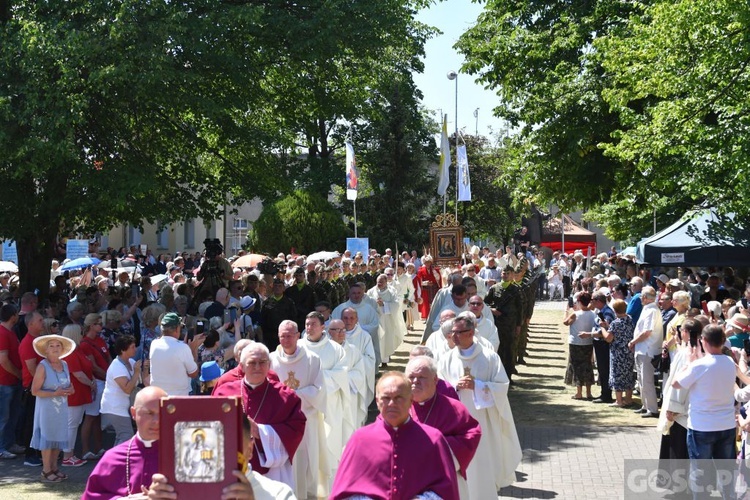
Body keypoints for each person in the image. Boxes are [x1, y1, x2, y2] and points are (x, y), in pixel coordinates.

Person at [331, 372, 459, 500]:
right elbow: (343, 493)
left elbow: (446, 491)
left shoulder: (433, 439)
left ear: (410, 401)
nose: (392, 403)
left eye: (399, 398)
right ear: (377, 401)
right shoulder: (359, 439)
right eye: (386, 398)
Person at [439, 311, 522, 496]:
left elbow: (502, 387)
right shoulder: (446, 359)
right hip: (455, 425)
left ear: (470, 333)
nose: (453, 336)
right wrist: (455, 386)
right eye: (452, 332)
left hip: (483, 422)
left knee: (482, 465)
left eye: (457, 332)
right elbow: (438, 388)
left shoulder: (490, 358)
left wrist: (477, 385)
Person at [213, 342, 306, 489]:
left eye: (262, 362)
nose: (257, 367)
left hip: (272, 472)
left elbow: (297, 428)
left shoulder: (286, 396)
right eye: (252, 363)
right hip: (230, 465)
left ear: (269, 365)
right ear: (242, 367)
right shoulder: (223, 393)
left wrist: (261, 432)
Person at [146, 413, 296, 500]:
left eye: (228, 445)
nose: (217, 454)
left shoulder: (279, 494)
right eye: (209, 445)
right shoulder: (178, 492)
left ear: (249, 449)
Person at [673, 324, 736, 496]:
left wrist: (689, 363)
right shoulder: (730, 362)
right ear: (723, 341)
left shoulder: (699, 365)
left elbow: (676, 383)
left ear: (704, 341)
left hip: (702, 426)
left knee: (700, 474)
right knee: (727, 474)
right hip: (726, 424)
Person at [406, 356, 481, 499]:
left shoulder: (454, 408)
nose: (415, 381)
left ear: (435, 380)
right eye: (411, 377)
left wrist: (432, 450)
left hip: (443, 481)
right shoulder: (397, 407)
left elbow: (471, 435)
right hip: (407, 480)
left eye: (422, 377)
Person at [270, 320, 329, 498]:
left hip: (306, 418)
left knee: (307, 462)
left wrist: (291, 396)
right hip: (280, 422)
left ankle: (308, 495)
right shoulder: (271, 359)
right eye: (282, 336)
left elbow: (318, 390)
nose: (286, 340)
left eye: (289, 336)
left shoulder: (312, 359)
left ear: (297, 336)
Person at [82, 386, 167, 499]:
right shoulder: (112, 458)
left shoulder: (181, 456)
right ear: (134, 413)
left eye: (162, 413)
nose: (157, 421)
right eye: (149, 413)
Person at [299, 312, 349, 473]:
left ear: (323, 327)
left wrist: (316, 380)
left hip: (328, 404)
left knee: (328, 446)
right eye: (307, 324)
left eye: (313, 324)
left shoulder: (335, 349)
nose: (309, 328)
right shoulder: (298, 348)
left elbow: (341, 374)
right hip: (304, 406)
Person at [30, 334, 76, 482]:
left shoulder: (65, 365)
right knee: (48, 437)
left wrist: (71, 389)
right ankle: (46, 470)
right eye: (52, 346)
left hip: (61, 408)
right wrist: (54, 393)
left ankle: (55, 468)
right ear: (46, 350)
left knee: (58, 436)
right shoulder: (42, 366)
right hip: (46, 409)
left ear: (62, 349)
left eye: (58, 346)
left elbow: (67, 385)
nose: (55, 349)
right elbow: (34, 391)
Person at [60, 324, 95, 467]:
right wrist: (91, 384)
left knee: (74, 424)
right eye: (80, 332)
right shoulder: (70, 353)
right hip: (74, 393)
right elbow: (78, 374)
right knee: (71, 425)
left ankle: (70, 454)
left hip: (79, 392)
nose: (82, 335)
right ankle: (67, 456)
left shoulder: (76, 350)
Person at [100, 334, 143, 445]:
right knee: (126, 436)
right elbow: (127, 389)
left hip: (122, 407)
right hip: (114, 407)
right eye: (132, 347)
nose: (135, 349)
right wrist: (137, 372)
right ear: (123, 350)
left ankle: (114, 460)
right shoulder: (116, 367)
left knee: (122, 437)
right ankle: (116, 461)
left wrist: (145, 369)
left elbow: (141, 381)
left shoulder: (132, 362)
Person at [149, 312, 205, 396]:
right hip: (178, 398)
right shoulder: (182, 348)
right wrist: (193, 350)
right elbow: (193, 373)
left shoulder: (154, 344)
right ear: (177, 329)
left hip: (157, 396)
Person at [630, 286, 663, 418]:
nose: (641, 299)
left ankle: (652, 409)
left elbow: (647, 332)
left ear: (645, 298)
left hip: (647, 349)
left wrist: (633, 341)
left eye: (642, 297)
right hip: (642, 349)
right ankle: (645, 405)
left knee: (647, 380)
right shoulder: (647, 309)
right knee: (641, 379)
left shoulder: (652, 311)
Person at [331, 283, 382, 367]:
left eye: (359, 293)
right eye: (354, 293)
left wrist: (358, 330)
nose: (356, 295)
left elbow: (375, 324)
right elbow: (332, 325)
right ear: (349, 294)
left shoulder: (369, 309)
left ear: (363, 294)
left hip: (362, 342)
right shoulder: (340, 308)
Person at [599, 299, 635, 407]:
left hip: (617, 352)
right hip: (628, 351)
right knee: (628, 374)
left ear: (615, 310)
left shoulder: (615, 323)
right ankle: (628, 398)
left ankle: (619, 401)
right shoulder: (629, 319)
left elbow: (609, 338)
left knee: (617, 374)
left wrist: (602, 328)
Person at [0, 303, 24, 459]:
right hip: (5, 382)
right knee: (4, 416)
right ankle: (2, 447)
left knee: (12, 415)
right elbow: (3, 360)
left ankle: (9, 443)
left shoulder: (10, 332)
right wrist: (18, 374)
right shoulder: (2, 333)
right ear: (13, 315)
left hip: (13, 381)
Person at [563, 292, 596, 400]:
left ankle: (579, 392)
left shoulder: (575, 314)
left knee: (576, 366)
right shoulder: (593, 314)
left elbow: (566, 322)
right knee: (587, 365)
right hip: (588, 342)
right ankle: (589, 392)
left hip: (576, 343)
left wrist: (567, 311)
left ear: (580, 302)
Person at [367, 273, 404, 365]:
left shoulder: (391, 292)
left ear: (386, 282)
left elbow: (396, 304)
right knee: (377, 339)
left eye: (382, 282)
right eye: (378, 282)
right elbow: (367, 303)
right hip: (375, 319)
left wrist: (384, 304)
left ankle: (385, 360)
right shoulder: (371, 292)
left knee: (386, 339)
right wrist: (375, 304)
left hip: (387, 319)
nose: (379, 283)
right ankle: (376, 360)